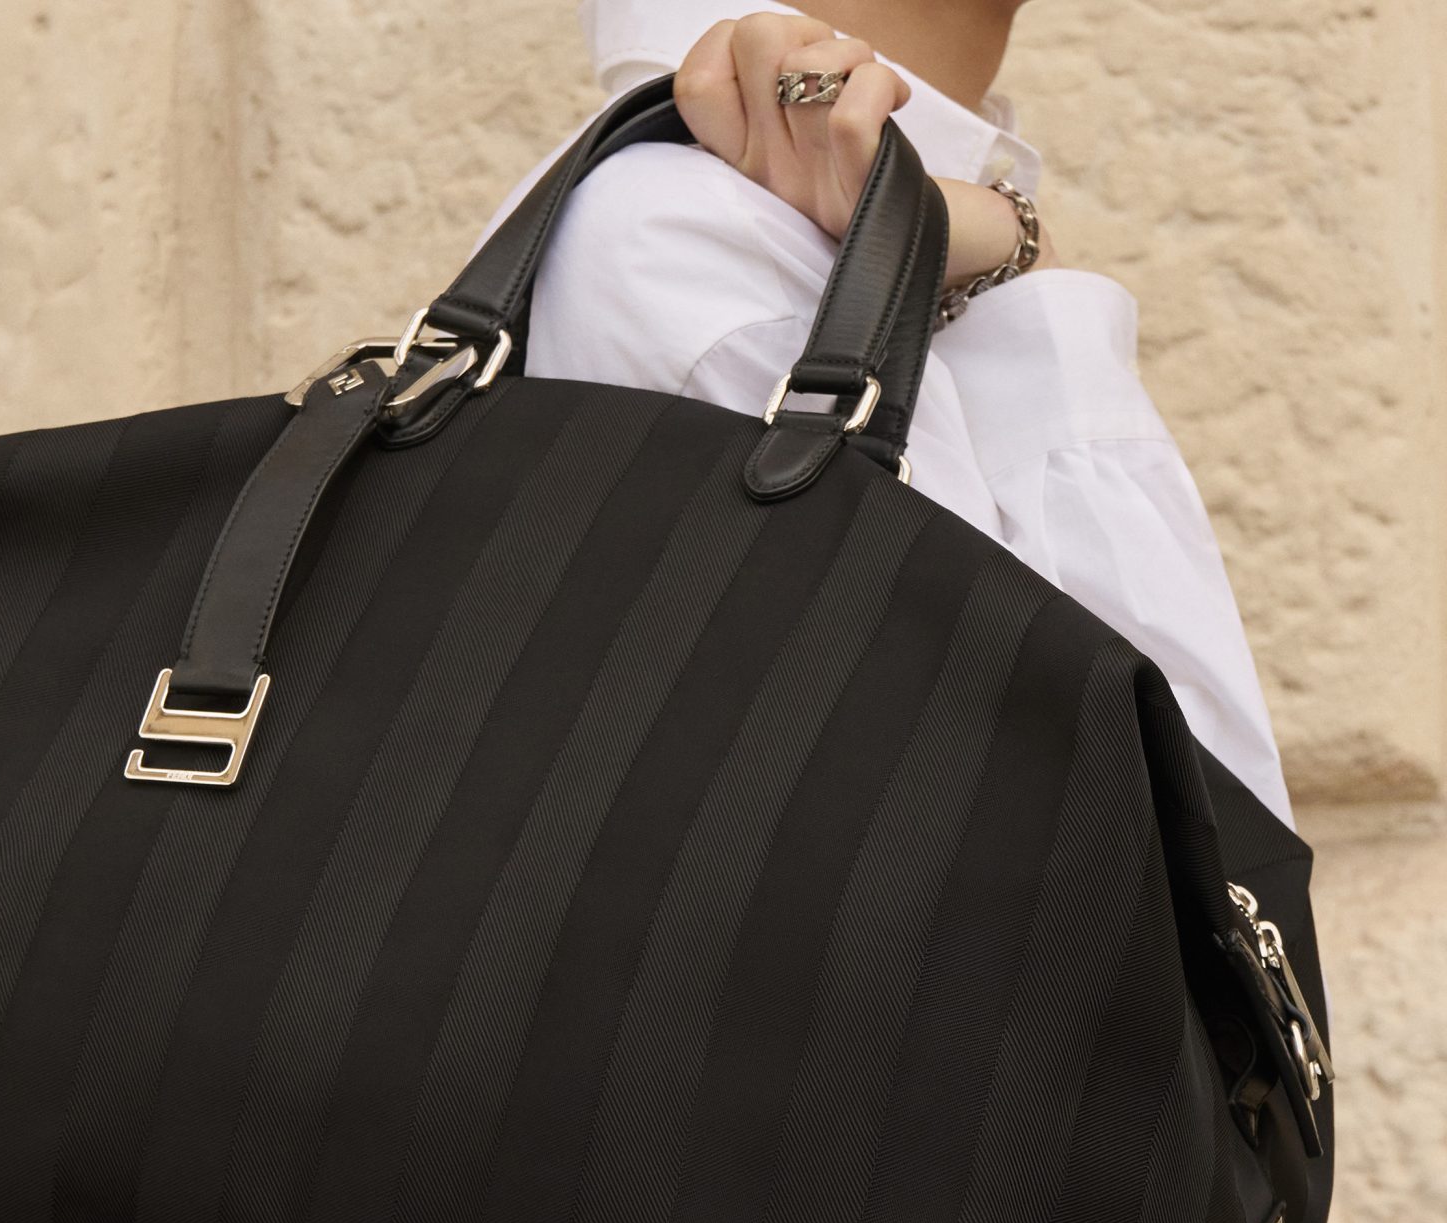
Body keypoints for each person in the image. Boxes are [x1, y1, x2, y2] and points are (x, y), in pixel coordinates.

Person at [499, 0, 1294, 824]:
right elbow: (1187, 834)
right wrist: (1025, 268)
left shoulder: (684, 224)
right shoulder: (709, 245)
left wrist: (997, 247)